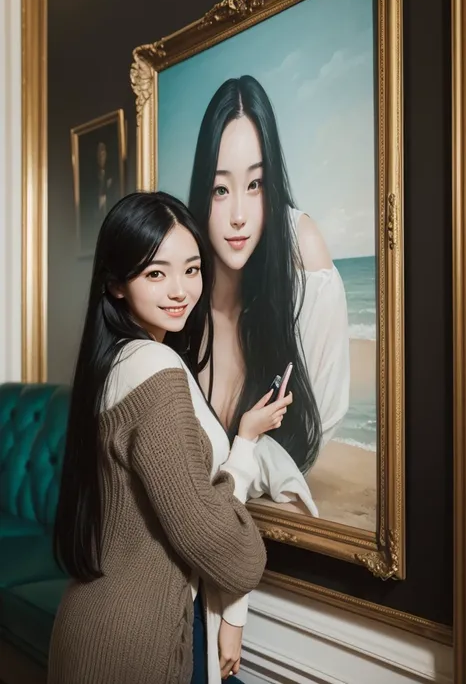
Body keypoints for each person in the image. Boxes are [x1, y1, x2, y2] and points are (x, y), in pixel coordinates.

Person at [48, 191, 294, 684]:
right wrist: (243, 454)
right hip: (134, 644)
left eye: (193, 268)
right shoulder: (155, 368)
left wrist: (241, 437)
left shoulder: (113, 361)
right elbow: (214, 539)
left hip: (91, 625)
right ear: (116, 284)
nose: (180, 290)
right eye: (156, 273)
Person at [188, 75, 350, 497]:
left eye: (255, 185)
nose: (239, 214)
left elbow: (316, 429)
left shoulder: (303, 269)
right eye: (220, 189)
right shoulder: (177, 302)